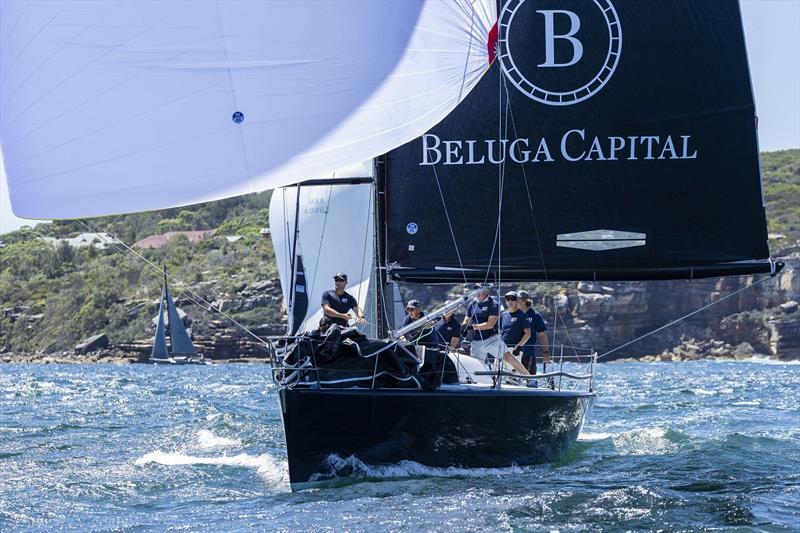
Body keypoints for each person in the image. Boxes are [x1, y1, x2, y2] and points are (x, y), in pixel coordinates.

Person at [462, 284, 504, 366]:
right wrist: (464, 327)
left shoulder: (494, 304)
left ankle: (528, 377)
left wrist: (472, 327)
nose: (477, 292)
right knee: (476, 366)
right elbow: (466, 319)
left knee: (508, 357)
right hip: (477, 340)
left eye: (479, 290)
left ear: (486, 291)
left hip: (492, 339)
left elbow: (490, 325)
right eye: (475, 290)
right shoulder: (472, 304)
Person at [498, 291, 533, 377]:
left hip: (514, 350)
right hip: (502, 349)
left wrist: (519, 346)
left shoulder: (522, 315)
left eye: (512, 299)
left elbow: (528, 334)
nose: (510, 301)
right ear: (505, 301)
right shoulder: (503, 315)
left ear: (517, 301)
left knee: (513, 376)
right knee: (498, 374)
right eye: (508, 299)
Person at [517, 289, 550, 374]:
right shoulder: (512, 314)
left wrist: (546, 353)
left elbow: (542, 335)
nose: (515, 300)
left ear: (524, 300)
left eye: (517, 298)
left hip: (528, 353)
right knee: (511, 381)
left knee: (529, 380)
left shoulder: (535, 315)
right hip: (513, 353)